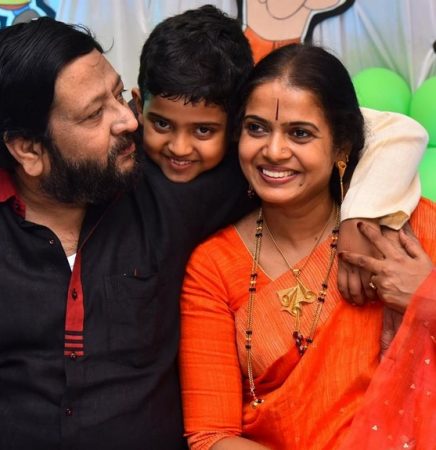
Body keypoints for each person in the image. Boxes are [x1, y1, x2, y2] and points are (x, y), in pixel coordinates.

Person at [0, 6, 428, 449]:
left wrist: (358, 212)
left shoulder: (175, 191)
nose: (127, 120)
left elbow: (351, 128)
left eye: (120, 96)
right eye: (95, 114)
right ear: (26, 149)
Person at [179, 43, 436, 450]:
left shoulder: (408, 229)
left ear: (342, 146)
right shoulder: (214, 265)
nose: (273, 151)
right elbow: (211, 436)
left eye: (300, 133)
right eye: (257, 128)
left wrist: (428, 298)